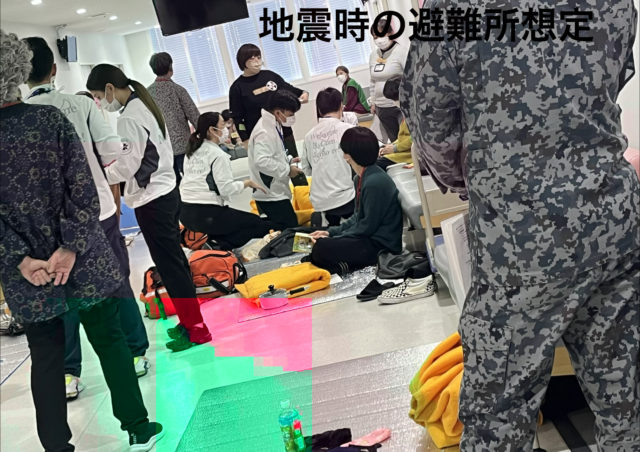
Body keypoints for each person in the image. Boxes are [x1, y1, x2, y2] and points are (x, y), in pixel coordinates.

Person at [400, 1, 639, 450]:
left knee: (498, 412)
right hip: (613, 220)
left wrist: (474, 181)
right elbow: (612, 77)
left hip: (521, 238)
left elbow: (429, 120)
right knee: (625, 393)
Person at [0, 29, 163, 451]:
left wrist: (21, 259)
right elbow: (84, 190)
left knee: (46, 357)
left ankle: (56, 445)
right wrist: (69, 247)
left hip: (27, 275)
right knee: (109, 338)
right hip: (83, 259)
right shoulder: (50, 121)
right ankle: (136, 425)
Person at [23, 37, 151, 400]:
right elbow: (111, 150)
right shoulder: (80, 105)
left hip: (48, 225)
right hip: (97, 212)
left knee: (60, 293)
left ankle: (69, 375)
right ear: (54, 69)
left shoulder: (18, 116)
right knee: (115, 282)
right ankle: (135, 352)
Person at [86, 64, 211, 353]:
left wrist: (100, 175)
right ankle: (190, 321)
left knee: (171, 266)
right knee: (175, 262)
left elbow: (129, 165)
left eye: (98, 96)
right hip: (165, 190)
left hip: (153, 199)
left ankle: (196, 328)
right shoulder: (143, 104)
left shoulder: (129, 117)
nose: (100, 103)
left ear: (109, 88)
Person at [308, 127, 403, 275]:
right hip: (369, 238)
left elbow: (366, 226)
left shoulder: (374, 182)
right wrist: (330, 233)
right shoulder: (360, 178)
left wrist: (335, 237)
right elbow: (357, 217)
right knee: (318, 244)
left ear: (348, 156)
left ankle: (342, 265)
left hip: (382, 246)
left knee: (321, 248)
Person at [180, 112, 276, 249]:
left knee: (235, 222)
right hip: (205, 214)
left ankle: (213, 241)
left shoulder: (191, 151)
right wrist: (246, 183)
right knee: (255, 223)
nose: (226, 129)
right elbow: (226, 189)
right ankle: (219, 245)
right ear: (212, 130)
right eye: (223, 125)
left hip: (185, 212)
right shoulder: (218, 155)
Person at [229, 43, 308, 185]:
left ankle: (302, 194)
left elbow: (288, 89)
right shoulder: (237, 88)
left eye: (258, 57)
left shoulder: (270, 76)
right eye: (252, 58)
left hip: (283, 131)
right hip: (261, 136)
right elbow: (237, 118)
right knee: (269, 174)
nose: (256, 61)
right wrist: (245, 139)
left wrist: (303, 93)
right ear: (243, 61)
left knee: (295, 167)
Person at [248, 90, 305, 230]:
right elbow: (262, 161)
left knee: (286, 230)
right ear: (278, 112)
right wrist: (287, 170)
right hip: (270, 194)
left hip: (274, 191)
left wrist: (289, 161)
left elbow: (274, 153)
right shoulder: (264, 131)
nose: (292, 118)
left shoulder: (273, 124)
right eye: (290, 114)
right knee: (291, 230)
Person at [301, 88, 356, 226]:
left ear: (319, 110)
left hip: (321, 202)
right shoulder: (348, 129)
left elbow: (307, 170)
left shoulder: (308, 137)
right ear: (341, 106)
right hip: (347, 198)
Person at [147, 52, 200, 186]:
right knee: (192, 182)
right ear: (170, 66)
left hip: (161, 148)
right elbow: (194, 116)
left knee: (171, 185)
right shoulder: (178, 90)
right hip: (182, 146)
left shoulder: (147, 94)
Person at [369, 17, 407, 143]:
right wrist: (373, 102)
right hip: (381, 107)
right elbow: (372, 80)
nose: (378, 40)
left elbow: (410, 77)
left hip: (398, 106)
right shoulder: (373, 55)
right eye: (375, 37)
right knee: (394, 141)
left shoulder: (401, 52)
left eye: (381, 35)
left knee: (405, 140)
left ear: (390, 33)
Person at [376, 78, 412, 171]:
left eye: (395, 99)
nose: (394, 103)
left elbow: (414, 139)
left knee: (374, 165)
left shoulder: (414, 114)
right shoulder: (406, 112)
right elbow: (402, 137)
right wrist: (389, 146)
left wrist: (395, 148)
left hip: (409, 154)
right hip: (403, 150)